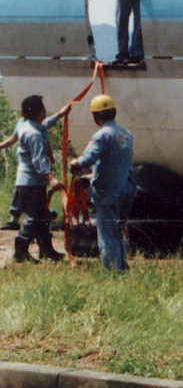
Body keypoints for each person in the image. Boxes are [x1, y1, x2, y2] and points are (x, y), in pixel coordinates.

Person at [69, 94, 135, 271]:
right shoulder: (126, 134)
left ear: (95, 116)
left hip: (110, 192)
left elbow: (88, 158)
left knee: (107, 235)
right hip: (127, 189)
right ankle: (121, 268)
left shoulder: (102, 135)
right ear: (114, 112)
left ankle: (112, 273)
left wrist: (75, 163)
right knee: (118, 231)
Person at [11, 94, 74, 262]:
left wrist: (60, 114)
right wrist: (50, 179)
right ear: (40, 111)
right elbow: (39, 160)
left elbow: (45, 124)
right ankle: (20, 252)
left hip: (26, 182)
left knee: (42, 217)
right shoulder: (34, 134)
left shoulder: (28, 126)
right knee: (34, 218)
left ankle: (46, 250)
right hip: (32, 183)